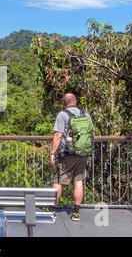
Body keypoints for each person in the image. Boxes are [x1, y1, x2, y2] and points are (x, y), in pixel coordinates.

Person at [49, 93, 94, 222]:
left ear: (64, 103)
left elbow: (58, 135)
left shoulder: (62, 115)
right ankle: (76, 212)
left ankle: (52, 208)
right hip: (83, 153)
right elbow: (92, 133)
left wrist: (52, 152)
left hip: (67, 154)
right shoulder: (86, 115)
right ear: (76, 101)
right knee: (78, 181)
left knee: (58, 181)